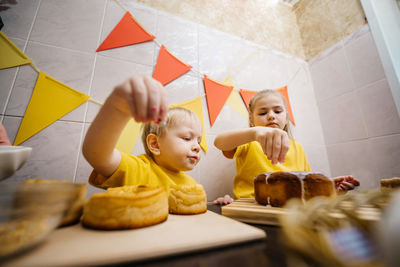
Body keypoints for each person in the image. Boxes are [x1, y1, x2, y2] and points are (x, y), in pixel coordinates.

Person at [213, 89, 359, 204]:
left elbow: (305, 184)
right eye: (263, 112)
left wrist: (328, 188)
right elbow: (219, 142)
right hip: (250, 205)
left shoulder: (298, 148)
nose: (271, 116)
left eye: (277, 111)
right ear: (251, 120)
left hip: (290, 208)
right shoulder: (248, 140)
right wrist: (254, 133)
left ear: (287, 117)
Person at [83, 75, 203, 190]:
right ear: (155, 144)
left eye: (199, 141)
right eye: (187, 138)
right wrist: (117, 106)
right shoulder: (137, 169)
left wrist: (221, 201)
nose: (197, 147)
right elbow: (98, 155)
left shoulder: (193, 186)